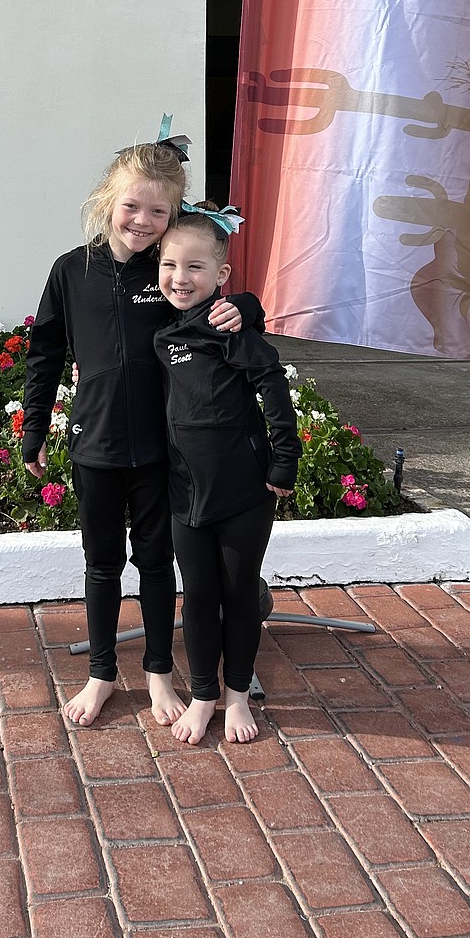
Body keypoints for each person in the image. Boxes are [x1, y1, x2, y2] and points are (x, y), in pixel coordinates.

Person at [21, 120, 261, 727]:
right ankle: (102, 673)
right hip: (95, 445)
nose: (143, 220)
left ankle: (159, 675)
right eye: (132, 205)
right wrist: (34, 430)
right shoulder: (70, 271)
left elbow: (224, 295)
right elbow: (45, 353)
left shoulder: (168, 272)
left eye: (159, 210)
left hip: (163, 451)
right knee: (102, 564)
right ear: (108, 200)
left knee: (156, 564)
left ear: (173, 212)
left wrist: (247, 309)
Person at [154, 202, 301, 745]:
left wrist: (284, 460)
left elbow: (273, 388)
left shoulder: (230, 328)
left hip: (244, 492)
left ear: (221, 275)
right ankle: (203, 695)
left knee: (238, 594)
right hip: (185, 495)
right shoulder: (164, 338)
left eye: (195, 267)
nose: (180, 277)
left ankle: (237, 695)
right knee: (196, 595)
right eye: (170, 265)